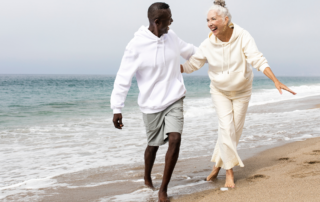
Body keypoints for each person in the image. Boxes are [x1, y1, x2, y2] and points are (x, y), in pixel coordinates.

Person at [180, 0, 296, 188]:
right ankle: (229, 174)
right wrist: (172, 68)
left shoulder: (243, 36)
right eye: (207, 20)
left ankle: (217, 167)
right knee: (226, 128)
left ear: (225, 20)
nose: (210, 23)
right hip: (220, 91)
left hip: (242, 91)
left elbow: (257, 59)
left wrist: (275, 80)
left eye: (214, 19)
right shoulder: (207, 43)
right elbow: (192, 64)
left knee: (233, 132)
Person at [110, 2, 197, 201]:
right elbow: (123, 78)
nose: (172, 22)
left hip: (174, 97)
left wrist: (216, 51)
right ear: (157, 22)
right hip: (151, 104)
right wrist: (117, 108)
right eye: (169, 19)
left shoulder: (171, 36)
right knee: (153, 145)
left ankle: (163, 190)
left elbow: (191, 51)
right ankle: (147, 177)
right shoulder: (136, 45)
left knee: (175, 138)